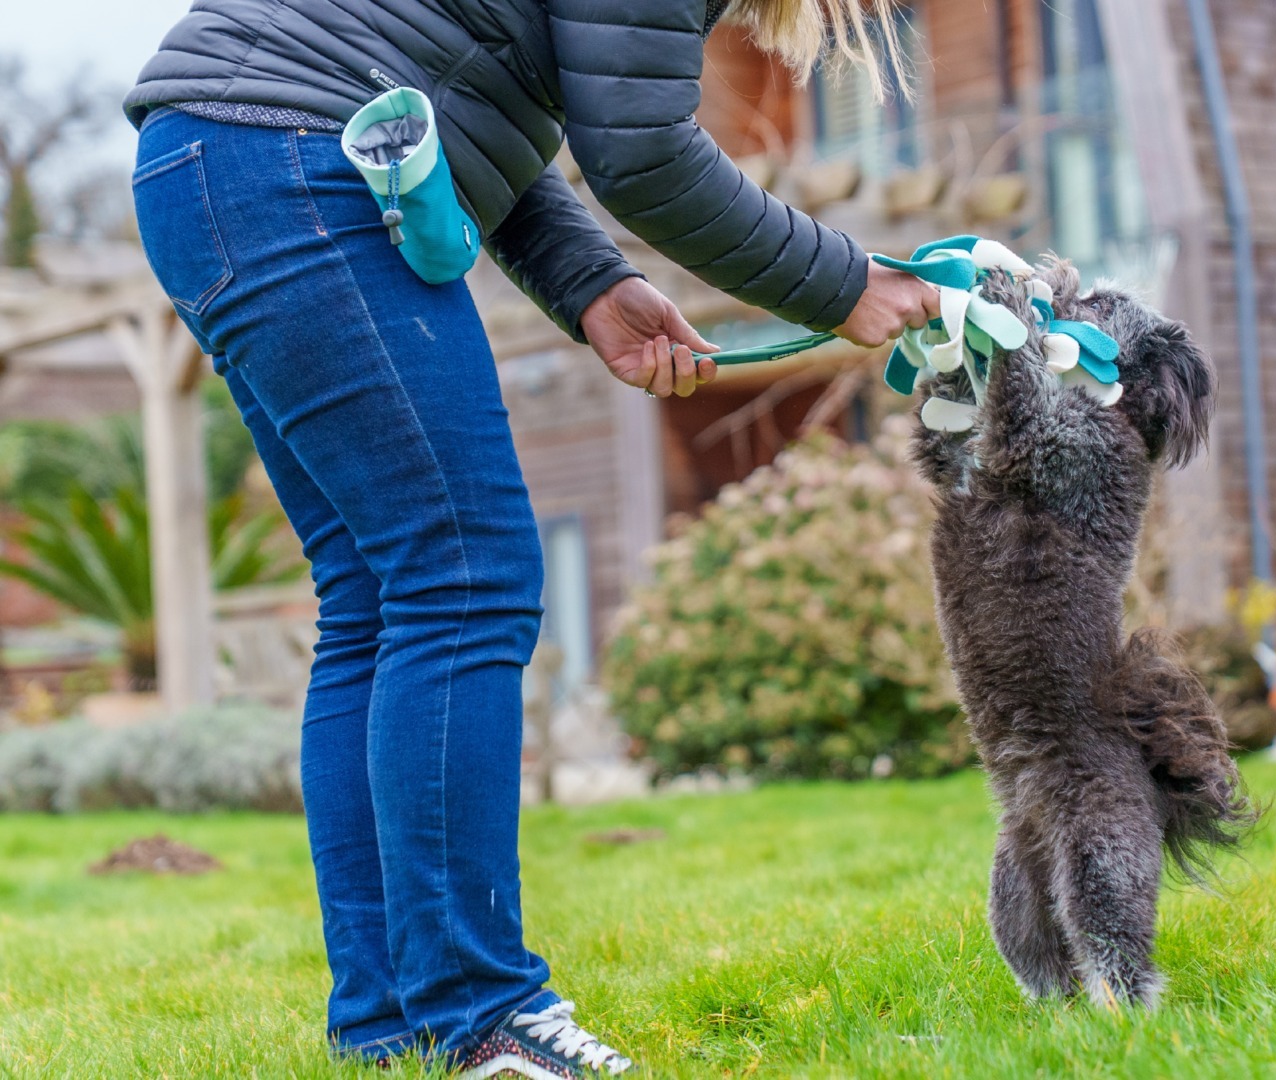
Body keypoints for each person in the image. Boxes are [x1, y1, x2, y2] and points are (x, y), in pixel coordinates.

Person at [124, 0, 938, 1075]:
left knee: (380, 593)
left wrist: (592, 283)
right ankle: (481, 1017)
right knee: (464, 578)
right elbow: (643, 158)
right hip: (291, 158)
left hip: (211, 160)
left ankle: (394, 1026)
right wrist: (847, 284)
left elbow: (465, 95)